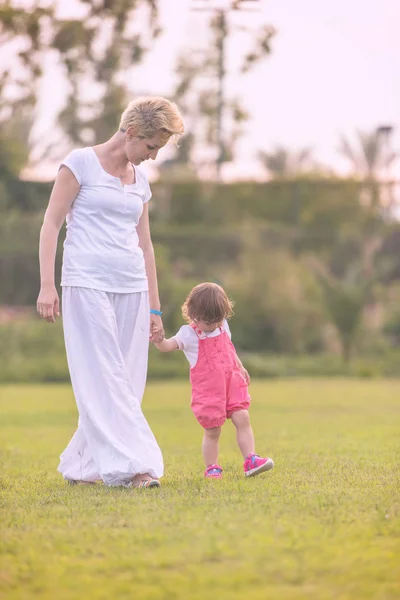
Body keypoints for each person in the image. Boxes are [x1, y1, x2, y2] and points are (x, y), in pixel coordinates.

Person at [37, 96, 184, 488]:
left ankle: (83, 467)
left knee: (127, 379)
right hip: (85, 281)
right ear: (132, 132)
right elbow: (51, 223)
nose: (153, 156)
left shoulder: (141, 180)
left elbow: (146, 245)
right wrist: (47, 285)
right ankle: (138, 468)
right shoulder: (80, 163)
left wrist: (155, 309)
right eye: (151, 146)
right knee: (103, 374)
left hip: (132, 287)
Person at [153, 282, 274, 479]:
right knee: (213, 430)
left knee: (242, 417)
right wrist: (159, 339)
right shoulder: (189, 334)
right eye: (209, 323)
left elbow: (229, 349)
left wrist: (240, 366)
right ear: (194, 316)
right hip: (208, 390)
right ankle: (212, 467)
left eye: (218, 320)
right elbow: (167, 346)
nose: (215, 325)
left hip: (232, 382)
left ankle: (251, 460)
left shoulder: (223, 325)